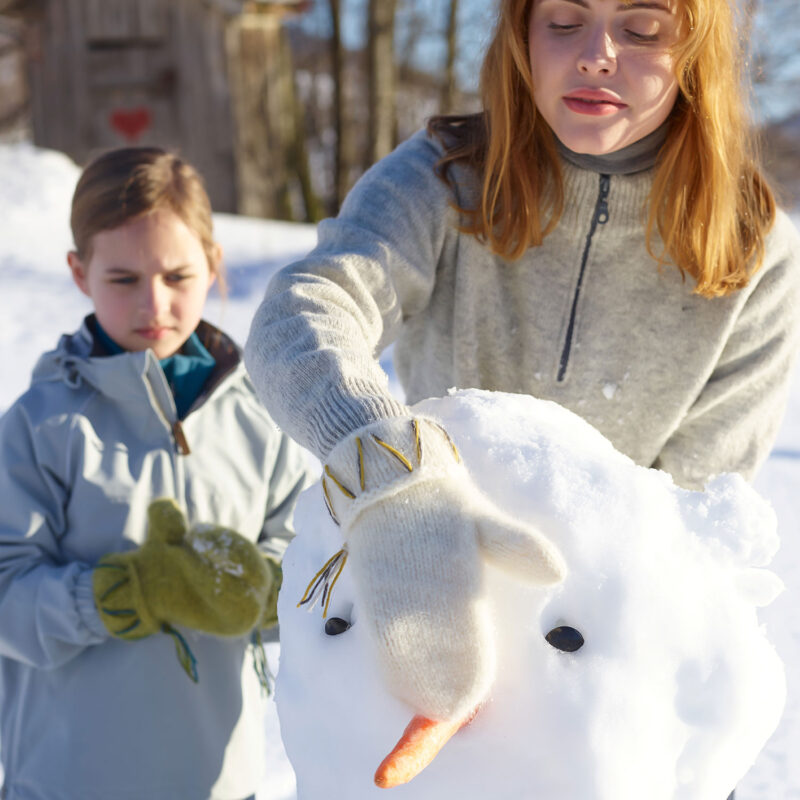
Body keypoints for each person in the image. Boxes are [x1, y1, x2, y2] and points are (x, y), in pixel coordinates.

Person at [244, 0, 800, 787]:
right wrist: (388, 465)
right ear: (521, 36)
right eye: (564, 21)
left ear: (695, 48)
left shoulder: (755, 249)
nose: (596, 54)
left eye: (640, 28)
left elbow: (694, 516)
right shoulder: (442, 180)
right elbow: (302, 314)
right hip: (425, 639)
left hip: (616, 679)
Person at [0, 147, 310, 800]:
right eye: (122, 279)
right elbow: (8, 599)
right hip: (67, 781)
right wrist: (121, 594)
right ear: (79, 273)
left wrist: (262, 586)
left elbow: (311, 566)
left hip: (219, 783)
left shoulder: (261, 421)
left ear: (213, 266)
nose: (154, 303)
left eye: (177, 276)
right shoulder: (43, 426)